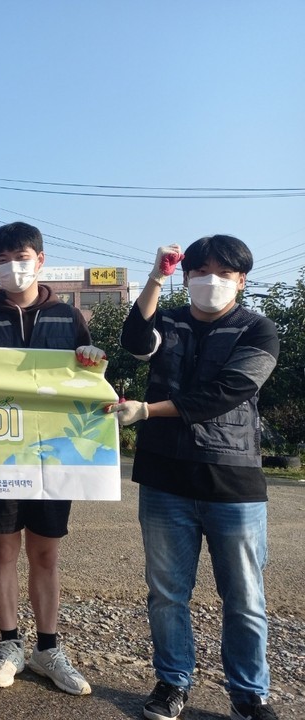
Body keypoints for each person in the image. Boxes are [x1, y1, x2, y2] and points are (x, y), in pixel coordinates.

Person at [109, 237, 280, 720]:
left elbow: (229, 391)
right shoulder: (170, 319)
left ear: (241, 281)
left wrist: (147, 410)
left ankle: (250, 693)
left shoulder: (258, 329)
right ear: (187, 279)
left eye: (224, 273)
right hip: (165, 478)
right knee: (167, 593)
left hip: (233, 481)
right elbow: (134, 342)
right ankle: (171, 683)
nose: (212, 281)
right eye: (201, 271)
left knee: (244, 596)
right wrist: (156, 278)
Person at [0, 221, 103, 696]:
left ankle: (48, 648)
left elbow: (85, 377)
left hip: (56, 455)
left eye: (22, 256)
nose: (13, 266)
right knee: (2, 549)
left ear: (41, 259)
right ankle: (9, 643)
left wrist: (93, 361)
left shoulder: (68, 316)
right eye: (2, 260)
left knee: (47, 552)